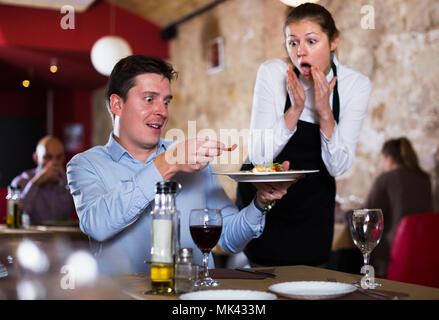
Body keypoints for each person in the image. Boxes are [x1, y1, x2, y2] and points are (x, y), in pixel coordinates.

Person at [66, 55, 294, 275]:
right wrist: (167, 163)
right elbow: (97, 225)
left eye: (166, 101)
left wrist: (260, 203)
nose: (162, 111)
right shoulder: (85, 165)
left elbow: (229, 238)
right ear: (117, 104)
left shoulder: (192, 160)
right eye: (149, 99)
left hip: (191, 298)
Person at [236, 3, 372, 267]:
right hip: (266, 202)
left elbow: (338, 166)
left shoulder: (356, 85)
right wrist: (294, 111)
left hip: (313, 208)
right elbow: (259, 155)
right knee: (264, 283)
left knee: (313, 283)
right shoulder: (273, 72)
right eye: (293, 42)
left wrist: (325, 113)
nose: (300, 52)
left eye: (311, 41)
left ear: (334, 41)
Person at [365, 137, 432, 277]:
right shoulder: (424, 179)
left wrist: (342, 214)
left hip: (391, 254)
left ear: (388, 159)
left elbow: (368, 215)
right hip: (425, 250)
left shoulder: (386, 179)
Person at [10, 135, 75, 225]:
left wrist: (65, 184)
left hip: (62, 237)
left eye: (59, 157)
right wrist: (35, 183)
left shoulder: (70, 183)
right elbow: (15, 218)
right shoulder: (20, 182)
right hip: (30, 237)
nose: (54, 163)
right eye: (48, 157)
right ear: (36, 158)